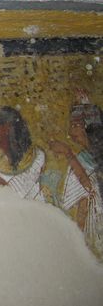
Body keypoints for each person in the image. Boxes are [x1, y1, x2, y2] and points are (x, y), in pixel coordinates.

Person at [49, 92, 103, 250]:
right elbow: (83, 203)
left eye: (75, 126)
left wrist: (68, 153)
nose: (70, 133)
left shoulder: (84, 158)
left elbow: (91, 188)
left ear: (89, 128)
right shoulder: (83, 157)